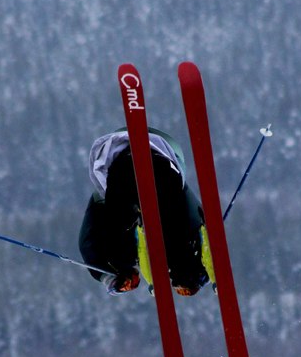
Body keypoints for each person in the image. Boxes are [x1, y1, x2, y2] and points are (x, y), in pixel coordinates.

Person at [79, 127, 210, 296]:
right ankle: (184, 273)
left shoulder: (107, 197)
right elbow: (193, 224)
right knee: (169, 226)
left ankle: (183, 273)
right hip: (150, 166)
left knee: (128, 225)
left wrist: (112, 275)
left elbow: (88, 242)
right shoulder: (175, 194)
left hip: (131, 167)